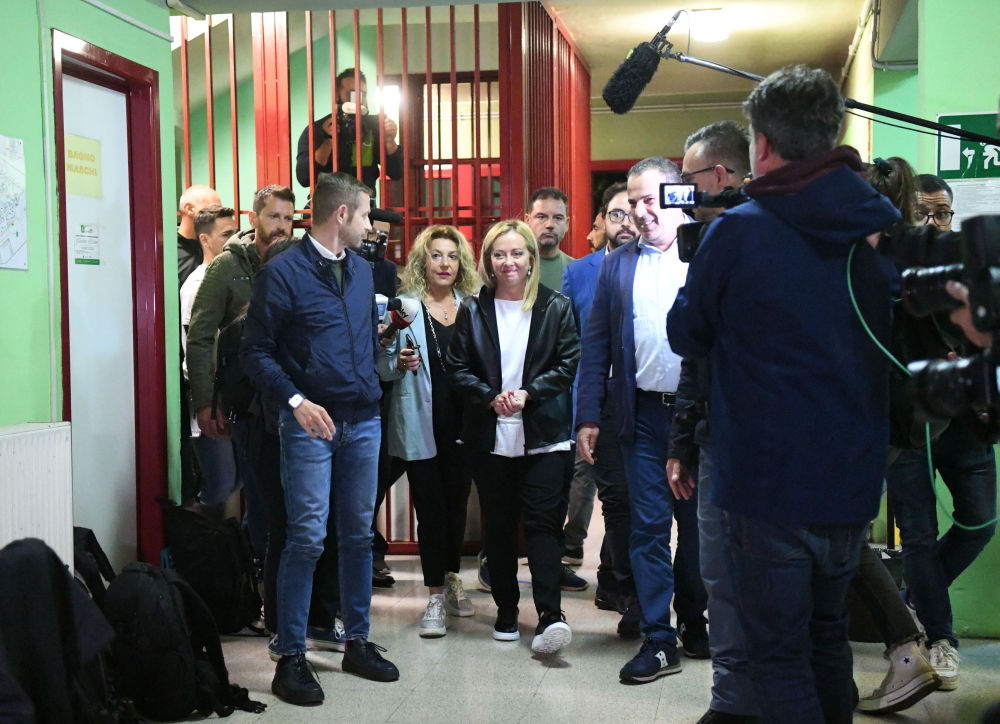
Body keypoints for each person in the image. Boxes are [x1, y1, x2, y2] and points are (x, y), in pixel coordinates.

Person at [667, 65, 900, 723]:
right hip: (851, 477)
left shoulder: (740, 231)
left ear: (763, 145)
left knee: (776, 656)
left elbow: (687, 333)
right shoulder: (877, 225)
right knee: (827, 636)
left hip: (767, 483)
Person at [241, 172, 399, 706]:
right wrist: (296, 401)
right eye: (366, 214)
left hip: (363, 419)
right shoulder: (282, 272)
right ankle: (290, 654)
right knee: (307, 537)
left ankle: (357, 642)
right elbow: (254, 351)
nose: (371, 224)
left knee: (357, 536)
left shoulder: (363, 271)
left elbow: (356, 338)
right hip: (309, 422)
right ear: (342, 215)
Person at [576, 157, 707, 684]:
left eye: (649, 200)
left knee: (697, 530)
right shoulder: (617, 264)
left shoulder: (707, 251)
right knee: (647, 528)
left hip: (700, 419)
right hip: (643, 415)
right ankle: (658, 637)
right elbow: (596, 345)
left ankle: (694, 618)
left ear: (676, 196)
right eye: (633, 203)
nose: (639, 212)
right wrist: (588, 415)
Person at [884, 169, 997, 692]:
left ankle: (915, 600)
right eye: (923, 214)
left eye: (943, 214)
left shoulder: (974, 271)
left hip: (966, 419)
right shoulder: (889, 270)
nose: (934, 224)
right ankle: (940, 636)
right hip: (911, 422)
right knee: (919, 535)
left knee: (981, 522)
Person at [446, 219, 580, 656]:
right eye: (499, 254)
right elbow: (456, 368)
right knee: (500, 525)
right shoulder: (473, 309)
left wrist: (528, 393)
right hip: (490, 436)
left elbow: (567, 364)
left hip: (544, 435)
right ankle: (506, 609)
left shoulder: (556, 306)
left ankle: (550, 616)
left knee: (543, 526)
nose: (509, 262)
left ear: (531, 259)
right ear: (488, 261)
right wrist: (490, 397)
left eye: (517, 253)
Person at [665, 120, 758, 723]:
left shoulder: (736, 239)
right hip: (722, 431)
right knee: (729, 577)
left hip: (743, 440)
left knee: (734, 579)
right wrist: (682, 440)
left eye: (689, 178)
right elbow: (698, 360)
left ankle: (738, 701)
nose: (683, 193)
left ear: (719, 176)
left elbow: (685, 334)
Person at [378, 225, 481, 637]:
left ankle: (452, 578)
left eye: (452, 256)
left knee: (456, 507)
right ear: (423, 261)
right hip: (420, 420)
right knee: (430, 509)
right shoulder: (405, 307)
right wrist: (398, 362)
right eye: (436, 255)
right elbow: (382, 367)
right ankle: (435, 594)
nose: (444, 264)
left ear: (462, 263)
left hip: (464, 423)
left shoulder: (472, 306)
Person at [186, 185, 295, 564]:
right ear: (254, 218)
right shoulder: (226, 266)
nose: (281, 225)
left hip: (292, 401)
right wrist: (205, 402)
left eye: (288, 218)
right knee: (261, 496)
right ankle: (264, 579)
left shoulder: (298, 262)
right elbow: (200, 337)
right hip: (247, 402)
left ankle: (282, 580)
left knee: (292, 499)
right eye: (273, 216)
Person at [561, 182, 639, 638]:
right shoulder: (580, 273)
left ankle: (614, 580)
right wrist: (580, 408)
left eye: (632, 211)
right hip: (597, 403)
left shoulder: (658, 264)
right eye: (615, 214)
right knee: (614, 499)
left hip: (645, 401)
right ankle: (622, 586)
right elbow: (574, 346)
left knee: (636, 501)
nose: (625, 221)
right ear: (601, 221)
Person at [179, 204, 240, 516]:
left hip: (230, 395)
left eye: (235, 233)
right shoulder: (197, 285)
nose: (234, 240)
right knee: (221, 482)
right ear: (204, 239)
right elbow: (195, 347)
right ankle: (193, 537)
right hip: (209, 398)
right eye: (226, 234)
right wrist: (206, 399)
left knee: (236, 479)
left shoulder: (231, 277)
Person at [295, 68, 403, 194]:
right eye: (352, 94)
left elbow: (397, 173)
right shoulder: (318, 129)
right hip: (329, 202)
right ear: (337, 96)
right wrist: (328, 141)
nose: (358, 100)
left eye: (363, 95)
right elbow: (304, 178)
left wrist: (390, 141)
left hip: (364, 202)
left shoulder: (373, 127)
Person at [525, 187, 574, 291]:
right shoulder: (513, 267)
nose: (550, 225)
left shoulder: (576, 269)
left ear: (567, 224)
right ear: (527, 220)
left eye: (558, 218)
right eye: (541, 217)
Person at [176, 184, 222, 288]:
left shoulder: (217, 245)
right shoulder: (168, 252)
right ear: (189, 209)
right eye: (213, 210)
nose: (218, 216)